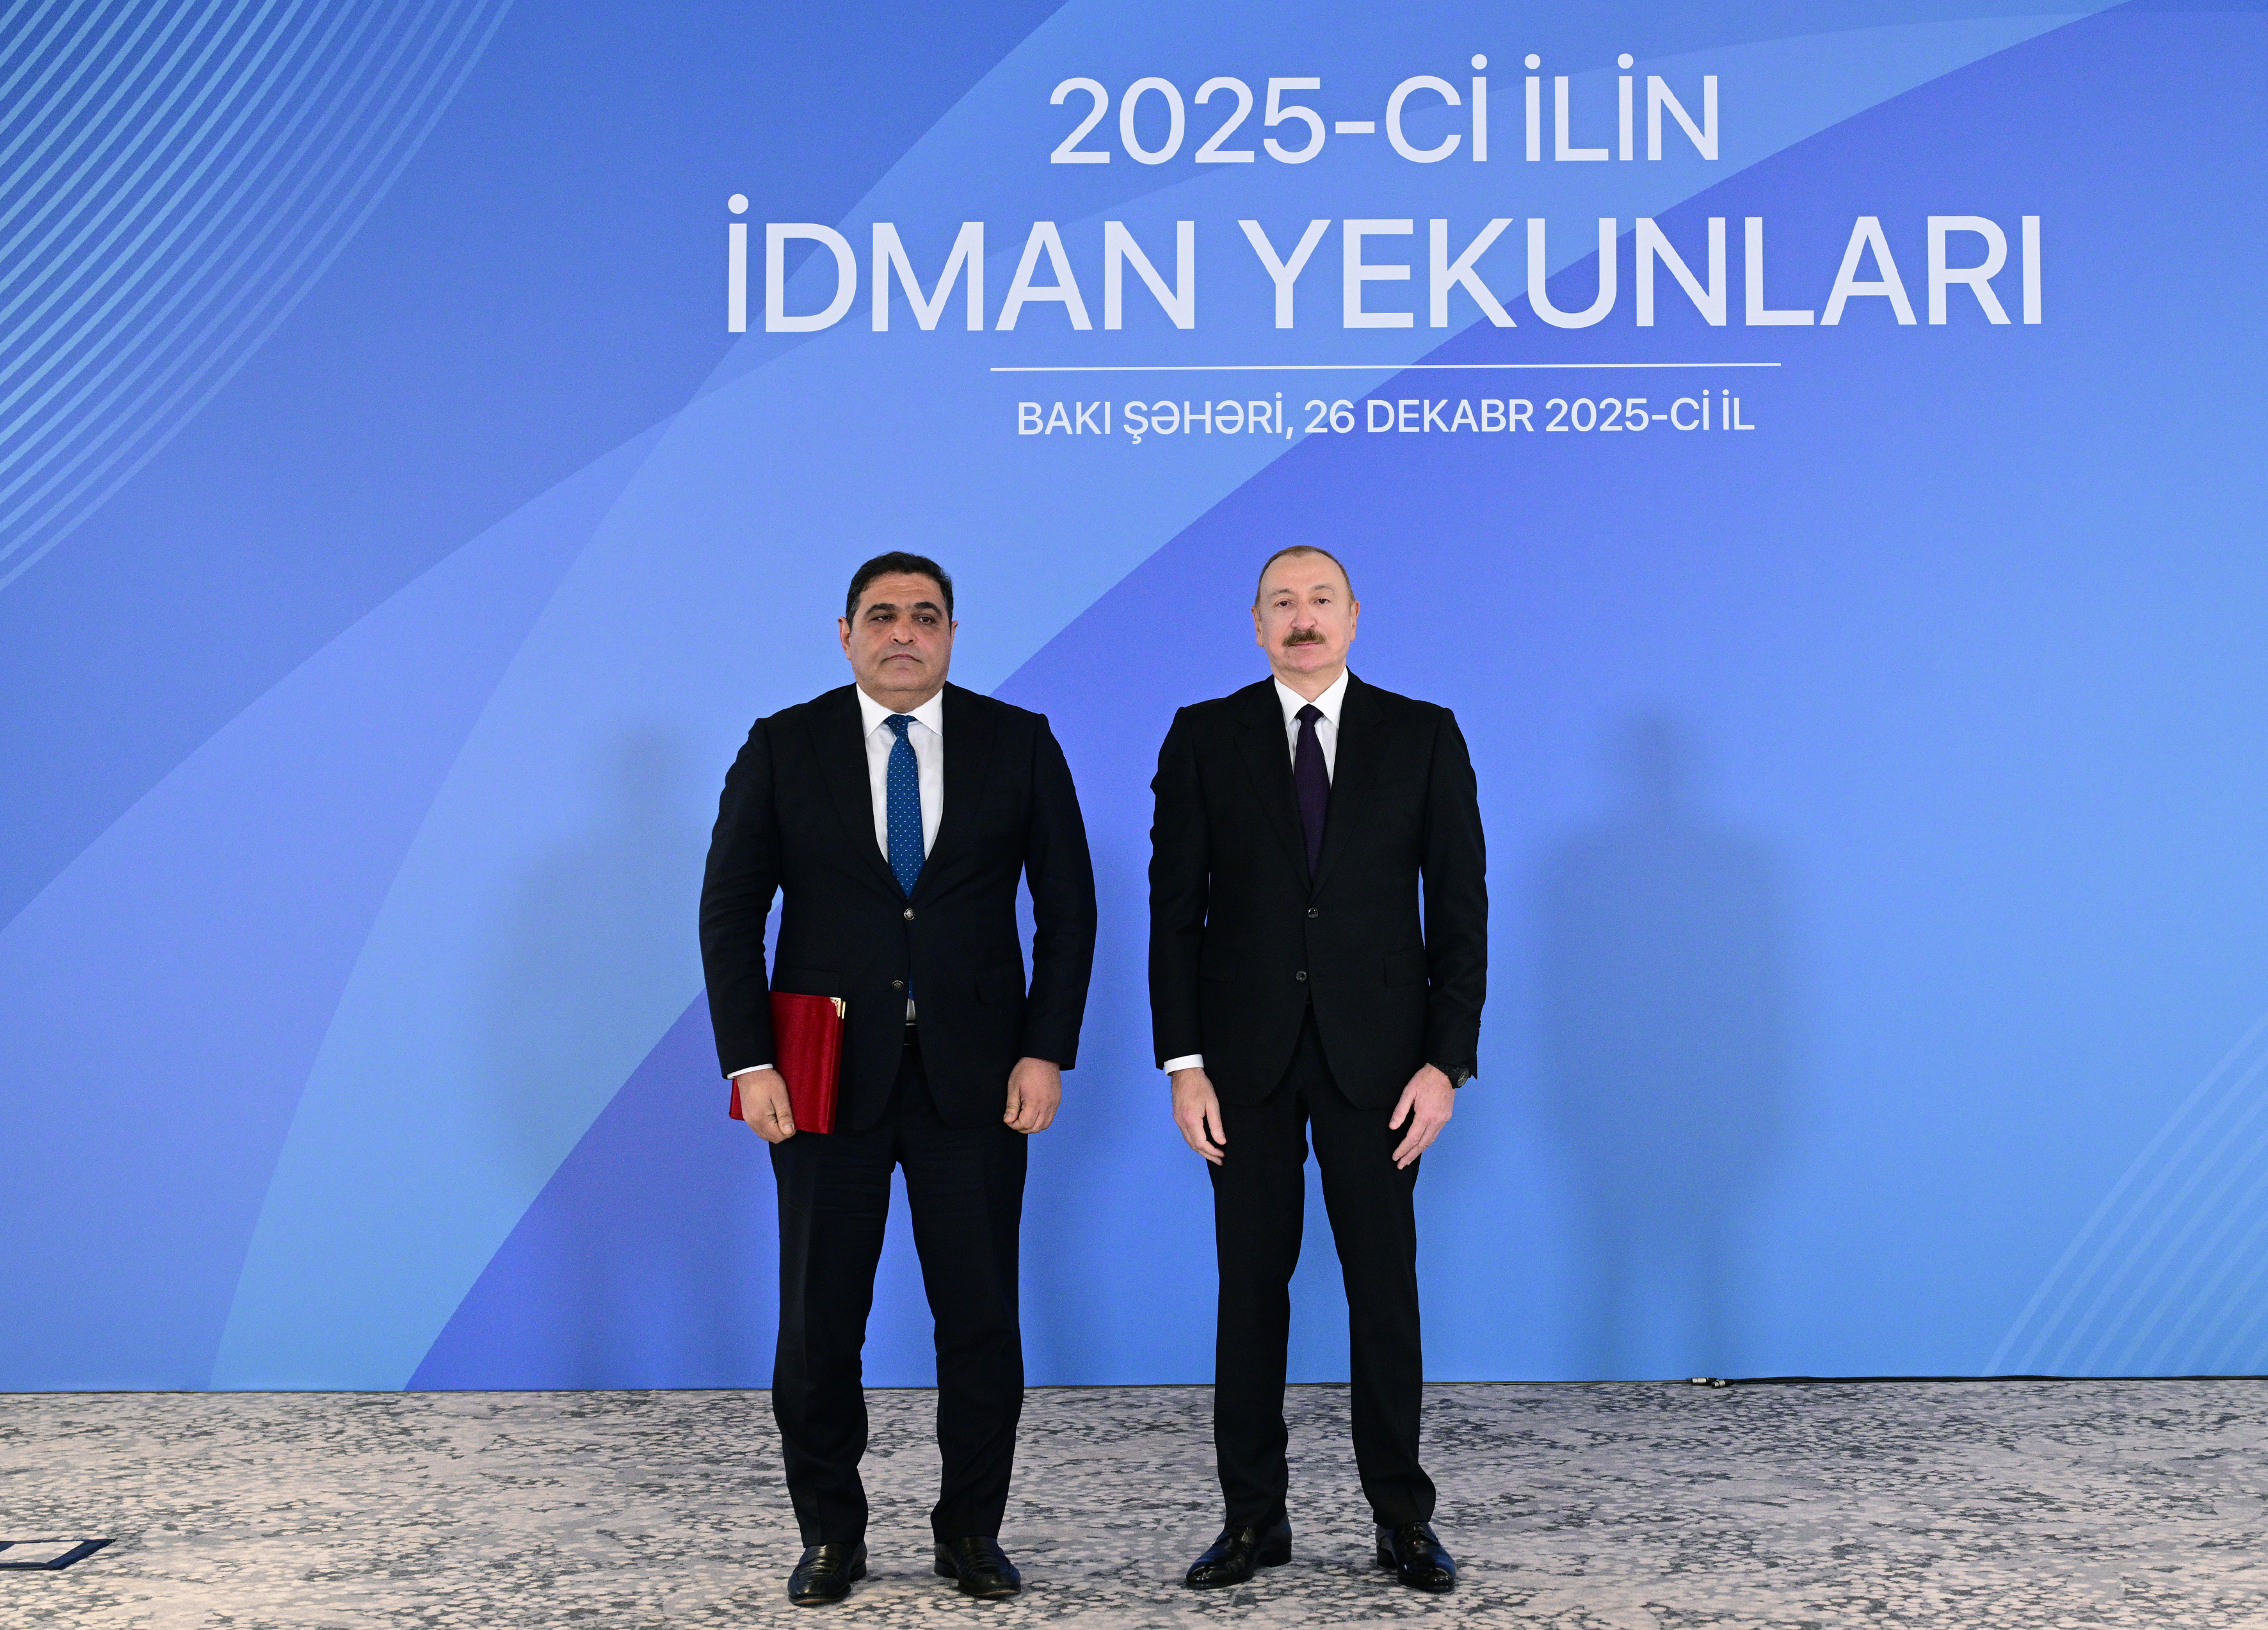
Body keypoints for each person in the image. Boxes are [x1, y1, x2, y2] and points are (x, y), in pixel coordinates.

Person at [700, 552, 1097, 1606]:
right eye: (882, 615)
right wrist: (750, 1061)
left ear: (953, 633)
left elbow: (1070, 909)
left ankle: (971, 1531)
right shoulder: (784, 745)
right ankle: (831, 1534)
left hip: (980, 1082)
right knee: (818, 1325)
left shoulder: (1019, 741)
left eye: (926, 614)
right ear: (846, 634)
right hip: (823, 1082)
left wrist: (1045, 1047)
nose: (904, 632)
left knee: (981, 1321)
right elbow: (730, 912)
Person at [1148, 545, 1486, 1594]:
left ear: (1354, 616)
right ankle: (1253, 1518)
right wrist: (1184, 1063)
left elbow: (1461, 909)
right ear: (1256, 624)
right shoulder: (1203, 735)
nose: (1304, 618)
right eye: (1283, 603)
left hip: (1382, 1065)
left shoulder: (1423, 734)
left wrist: (1446, 1063)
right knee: (1250, 1291)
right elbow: (1174, 914)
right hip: (1240, 1064)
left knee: (1384, 1293)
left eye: (1321, 600)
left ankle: (1402, 1518)